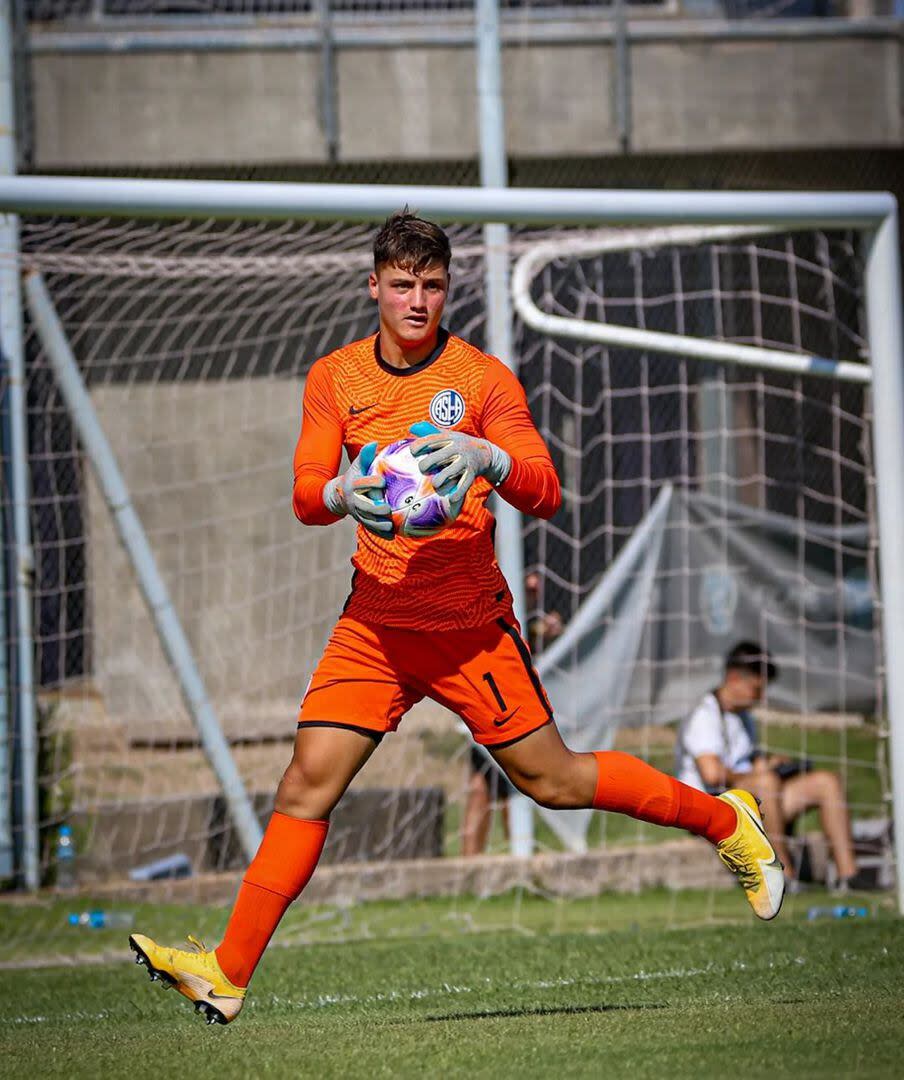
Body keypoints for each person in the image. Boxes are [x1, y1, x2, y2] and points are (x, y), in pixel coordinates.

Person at [130, 211, 784, 1026]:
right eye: (401, 284)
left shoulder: (481, 380)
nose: (416, 300)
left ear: (448, 288)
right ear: (373, 286)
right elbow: (304, 491)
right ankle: (227, 974)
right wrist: (338, 493)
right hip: (374, 625)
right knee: (305, 783)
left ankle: (729, 821)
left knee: (553, 782)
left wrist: (489, 456)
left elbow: (546, 489)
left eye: (431, 285)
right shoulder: (334, 377)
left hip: (470, 626)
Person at [676, 641, 871, 892]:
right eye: (756, 689)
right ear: (734, 678)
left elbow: (745, 759)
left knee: (826, 782)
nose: (761, 697)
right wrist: (758, 774)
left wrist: (769, 763)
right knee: (766, 782)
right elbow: (712, 774)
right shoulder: (704, 714)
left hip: (751, 800)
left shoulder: (742, 716)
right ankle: (782, 877)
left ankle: (849, 876)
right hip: (711, 809)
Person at [461, 571, 562, 855]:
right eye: (528, 578)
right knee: (486, 782)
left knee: (509, 782)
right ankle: (478, 864)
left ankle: (518, 855)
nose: (532, 584)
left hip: (516, 698)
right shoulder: (486, 588)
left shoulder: (536, 615)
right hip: (488, 690)